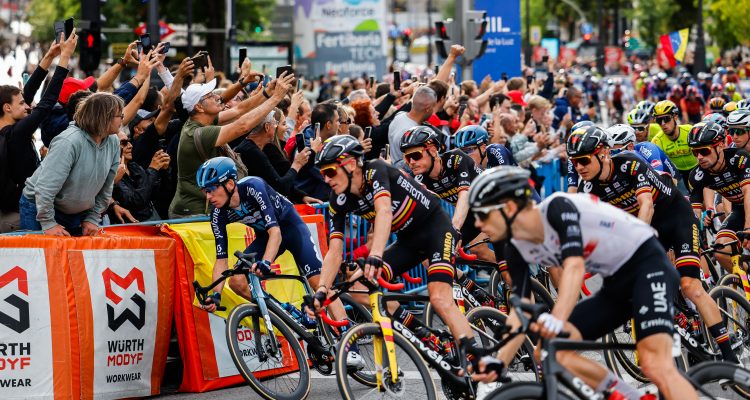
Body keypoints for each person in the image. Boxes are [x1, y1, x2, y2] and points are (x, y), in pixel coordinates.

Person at [468, 166, 697, 400]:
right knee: (551, 351)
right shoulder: (515, 247)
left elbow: (574, 268)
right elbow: (521, 310)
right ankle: (630, 397)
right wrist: (500, 362)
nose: (477, 223)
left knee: (654, 365)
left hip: (650, 267)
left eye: (483, 214)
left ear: (508, 208)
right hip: (616, 285)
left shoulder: (557, 208)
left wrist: (556, 321)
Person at [568, 125, 738, 363]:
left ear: (603, 153)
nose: (579, 167)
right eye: (574, 162)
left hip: (675, 218)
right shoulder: (589, 187)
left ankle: (729, 355)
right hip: (648, 229)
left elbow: (646, 205)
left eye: (583, 160)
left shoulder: (629, 164)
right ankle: (685, 331)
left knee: (690, 285)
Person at [195, 157, 365, 368]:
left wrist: (266, 262)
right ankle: (285, 312)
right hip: (266, 238)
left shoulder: (252, 187)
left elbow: (275, 231)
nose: (209, 196)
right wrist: (215, 294)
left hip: (291, 229)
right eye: (205, 191)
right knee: (236, 281)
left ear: (230, 184)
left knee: (320, 283)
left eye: (212, 189)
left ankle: (352, 348)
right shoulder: (217, 214)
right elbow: (221, 259)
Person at [311, 135, 476, 345]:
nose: (326, 179)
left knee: (439, 297)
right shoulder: (338, 199)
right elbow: (335, 250)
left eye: (330, 171)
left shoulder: (375, 170)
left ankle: (475, 360)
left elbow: (384, 211)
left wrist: (376, 255)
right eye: (322, 173)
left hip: (436, 229)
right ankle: (424, 333)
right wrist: (322, 290)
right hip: (409, 241)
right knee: (358, 286)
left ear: (351, 164)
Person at [169, 71, 294, 218]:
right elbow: (243, 126)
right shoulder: (199, 133)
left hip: (203, 209)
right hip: (194, 214)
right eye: (210, 96)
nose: (217, 97)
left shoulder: (202, 121)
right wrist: (276, 98)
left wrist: (267, 93)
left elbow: (238, 110)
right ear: (199, 107)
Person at [0, 30, 77, 232]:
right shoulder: (15, 133)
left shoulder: (8, 129)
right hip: (17, 215)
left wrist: (50, 56)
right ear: (7, 108)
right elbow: (46, 104)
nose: (28, 106)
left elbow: (28, 91)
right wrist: (65, 57)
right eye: (22, 104)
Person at [20, 92, 123, 236]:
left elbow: (107, 186)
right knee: (42, 257)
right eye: (120, 116)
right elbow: (45, 187)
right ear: (104, 116)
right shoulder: (69, 142)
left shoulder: (113, 141)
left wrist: (93, 217)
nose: (122, 120)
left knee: (70, 257)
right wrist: (48, 222)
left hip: (74, 212)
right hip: (38, 207)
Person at [686, 121, 750, 273]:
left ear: (721, 145)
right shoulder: (697, 176)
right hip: (739, 210)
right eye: (695, 152)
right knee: (720, 250)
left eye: (704, 151)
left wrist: (748, 227)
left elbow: (748, 192)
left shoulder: (739, 158)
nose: (699, 157)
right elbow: (694, 214)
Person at [112, 131, 170, 222]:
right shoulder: (111, 173)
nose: (130, 145)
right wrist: (153, 169)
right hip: (133, 226)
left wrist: (163, 170)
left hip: (152, 216)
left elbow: (154, 193)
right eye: (124, 143)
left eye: (129, 141)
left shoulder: (134, 166)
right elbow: (136, 201)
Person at [650, 100, 696, 192]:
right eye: (659, 120)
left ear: (675, 117)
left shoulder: (690, 131)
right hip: (677, 175)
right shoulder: (656, 141)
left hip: (696, 169)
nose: (663, 124)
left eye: (666, 119)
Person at [387, 86, 438, 166]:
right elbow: (413, 163)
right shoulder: (412, 133)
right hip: (409, 175)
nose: (433, 112)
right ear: (428, 108)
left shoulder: (399, 116)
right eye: (433, 107)